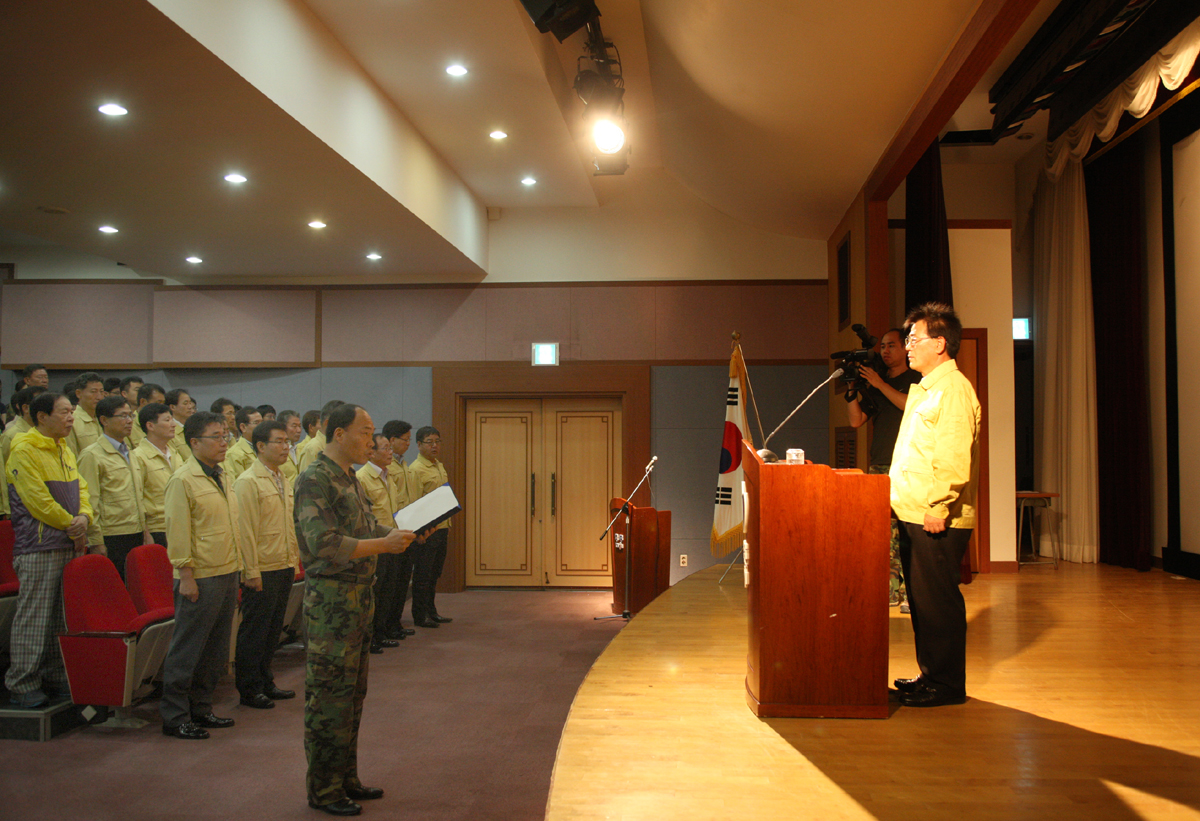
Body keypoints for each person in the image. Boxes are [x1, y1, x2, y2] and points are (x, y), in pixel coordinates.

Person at [294, 403, 416, 815]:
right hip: (331, 600)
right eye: (365, 433)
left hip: (358, 597)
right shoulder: (314, 479)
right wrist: (384, 545)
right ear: (338, 433)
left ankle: (345, 777)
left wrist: (396, 534)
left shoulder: (350, 478)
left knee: (351, 695)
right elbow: (323, 544)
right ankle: (324, 790)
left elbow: (364, 528)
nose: (372, 441)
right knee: (328, 698)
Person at [889, 303, 982, 708]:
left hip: (936, 517)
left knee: (938, 602)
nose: (907, 347)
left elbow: (953, 458)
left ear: (940, 343)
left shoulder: (954, 389)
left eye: (914, 340)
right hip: (914, 513)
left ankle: (945, 686)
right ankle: (930, 675)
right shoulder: (927, 387)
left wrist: (939, 508)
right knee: (923, 603)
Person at [4, 392, 92, 708]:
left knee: (60, 618)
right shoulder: (24, 450)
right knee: (34, 618)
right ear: (42, 417)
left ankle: (55, 677)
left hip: (68, 542)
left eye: (72, 412)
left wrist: (85, 517)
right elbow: (37, 501)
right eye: (65, 412)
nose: (71, 418)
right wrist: (73, 523)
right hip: (39, 547)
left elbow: (82, 488)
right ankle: (22, 683)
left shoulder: (63, 448)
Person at [159, 411, 242, 740]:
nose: (224, 443)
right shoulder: (182, 479)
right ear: (194, 442)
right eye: (216, 437)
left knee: (217, 649)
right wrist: (186, 574)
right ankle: (175, 715)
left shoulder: (223, 475)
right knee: (188, 649)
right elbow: (178, 532)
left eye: (225, 436)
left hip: (227, 570)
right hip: (200, 576)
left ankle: (202, 707)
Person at [847, 328, 921, 610]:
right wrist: (853, 390)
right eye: (884, 347)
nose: (886, 351)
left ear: (905, 349)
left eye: (892, 345)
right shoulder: (878, 383)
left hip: (908, 464)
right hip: (880, 464)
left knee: (906, 528)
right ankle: (890, 590)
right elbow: (856, 421)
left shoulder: (916, 379)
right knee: (882, 530)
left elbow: (910, 405)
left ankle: (906, 590)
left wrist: (878, 383)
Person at [233, 420, 299, 709]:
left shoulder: (282, 477)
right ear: (260, 446)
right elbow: (244, 530)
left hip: (283, 562)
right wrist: (250, 571)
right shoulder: (248, 481)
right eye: (280, 442)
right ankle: (249, 688)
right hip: (261, 567)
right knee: (255, 630)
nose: (286, 447)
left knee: (274, 628)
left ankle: (265, 679)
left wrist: (293, 561)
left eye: (288, 442)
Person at [77, 396, 149, 580]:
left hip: (136, 532)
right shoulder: (91, 455)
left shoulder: (131, 453)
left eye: (131, 416)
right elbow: (89, 500)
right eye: (123, 416)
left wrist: (145, 531)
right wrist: (95, 541)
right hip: (111, 535)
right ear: (104, 420)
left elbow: (138, 496)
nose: (129, 421)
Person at [356, 435, 403, 654]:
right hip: (376, 541)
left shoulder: (389, 475)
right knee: (376, 590)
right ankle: (372, 635)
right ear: (372, 452)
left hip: (392, 538)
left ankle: (382, 631)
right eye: (385, 448)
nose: (390, 451)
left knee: (388, 589)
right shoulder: (362, 477)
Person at [410, 426, 452, 628]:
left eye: (437, 441)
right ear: (419, 445)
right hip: (427, 531)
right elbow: (415, 502)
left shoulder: (438, 466)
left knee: (435, 572)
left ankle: (431, 610)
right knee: (423, 574)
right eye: (429, 442)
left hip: (442, 526)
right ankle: (420, 614)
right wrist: (419, 533)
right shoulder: (416, 470)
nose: (435, 446)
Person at [382, 419, 419, 638]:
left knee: (402, 581)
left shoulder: (404, 464)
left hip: (408, 529)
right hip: (392, 531)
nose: (408, 444)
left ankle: (395, 623)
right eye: (405, 440)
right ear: (392, 440)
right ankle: (384, 626)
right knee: (389, 584)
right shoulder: (386, 469)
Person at [130, 402, 176, 547]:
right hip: (158, 529)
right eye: (167, 420)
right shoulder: (138, 457)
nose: (174, 424)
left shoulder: (174, 453)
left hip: (179, 524)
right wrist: (146, 532)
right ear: (150, 426)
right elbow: (138, 498)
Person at [297, 400, 344, 472]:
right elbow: (307, 482)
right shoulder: (312, 448)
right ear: (327, 423)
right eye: (342, 422)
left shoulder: (341, 445)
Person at [65, 372, 105, 455]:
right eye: (93, 392)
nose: (99, 397)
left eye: (101, 392)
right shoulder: (71, 421)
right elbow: (71, 455)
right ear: (79, 393)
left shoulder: (105, 419)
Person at [222, 406, 262, 480]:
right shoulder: (234, 453)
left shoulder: (266, 448)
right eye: (256, 423)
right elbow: (239, 483)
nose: (262, 427)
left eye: (262, 422)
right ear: (243, 427)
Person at [127, 382, 166, 449]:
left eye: (163, 403)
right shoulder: (129, 426)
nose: (162, 407)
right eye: (158, 403)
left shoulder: (165, 425)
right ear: (143, 402)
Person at [166, 388, 196, 462]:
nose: (190, 407)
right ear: (173, 407)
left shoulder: (195, 427)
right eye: (185, 403)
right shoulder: (169, 431)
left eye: (190, 403)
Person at [277, 410, 304, 486]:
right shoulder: (276, 451)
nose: (299, 430)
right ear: (283, 427)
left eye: (299, 426)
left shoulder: (300, 449)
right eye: (294, 426)